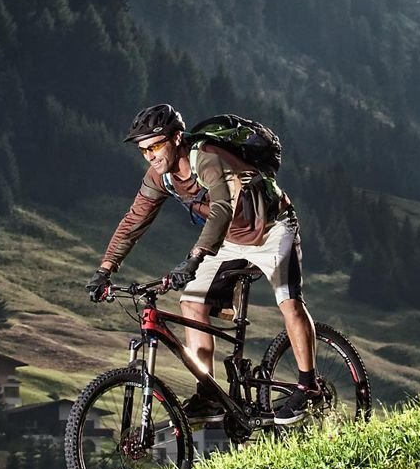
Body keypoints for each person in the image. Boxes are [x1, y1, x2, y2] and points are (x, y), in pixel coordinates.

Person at [89, 103, 322, 419]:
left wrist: (195, 258)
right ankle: (210, 394)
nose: (150, 156)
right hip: (230, 240)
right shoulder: (160, 177)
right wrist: (105, 270)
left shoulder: (207, 157)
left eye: (155, 146)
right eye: (144, 150)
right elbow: (134, 221)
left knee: (288, 301)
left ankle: (309, 387)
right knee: (191, 303)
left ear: (176, 138)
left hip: (272, 228)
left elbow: (221, 210)